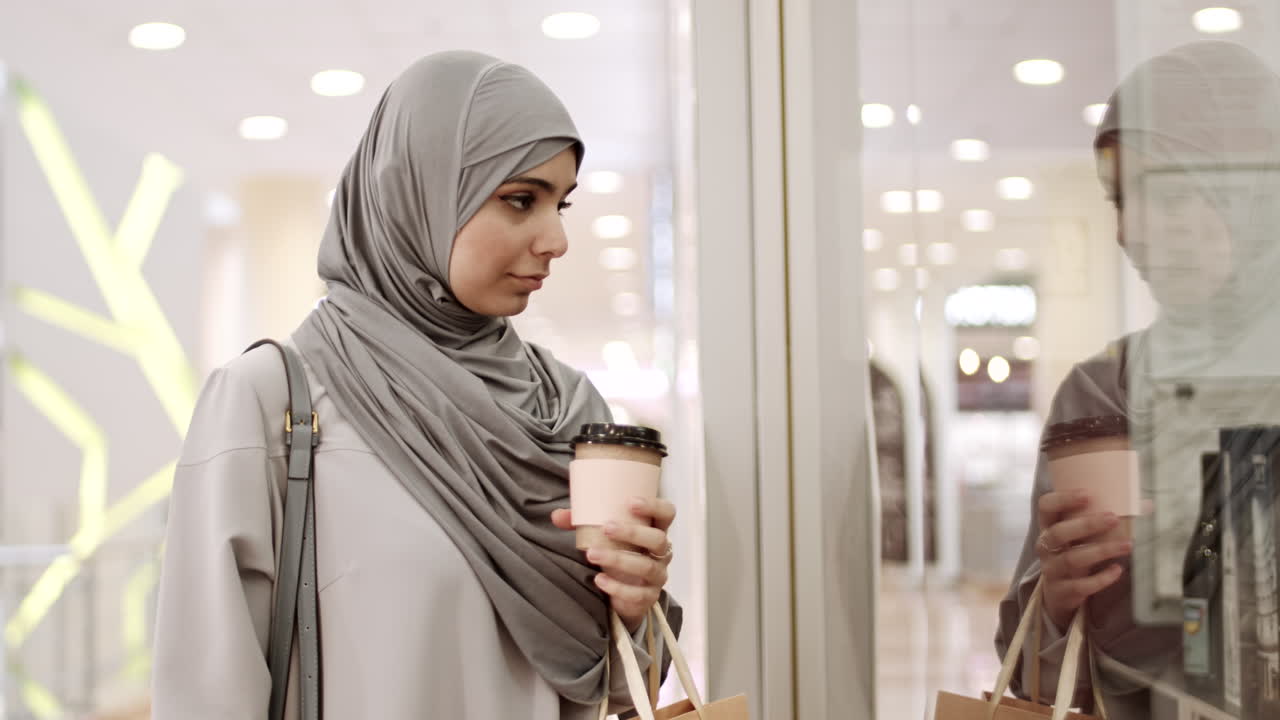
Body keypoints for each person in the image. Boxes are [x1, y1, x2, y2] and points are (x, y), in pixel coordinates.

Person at [151, 50, 680, 719]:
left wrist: (632, 608)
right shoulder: (270, 403)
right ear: (418, 194)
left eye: (561, 203)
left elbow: (609, 693)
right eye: (520, 200)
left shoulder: (568, 410)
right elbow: (207, 694)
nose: (557, 239)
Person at [996, 40, 1280, 719]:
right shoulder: (1104, 392)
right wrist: (1063, 598)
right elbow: (1037, 679)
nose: (1135, 232)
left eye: (1174, 197)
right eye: (1121, 201)